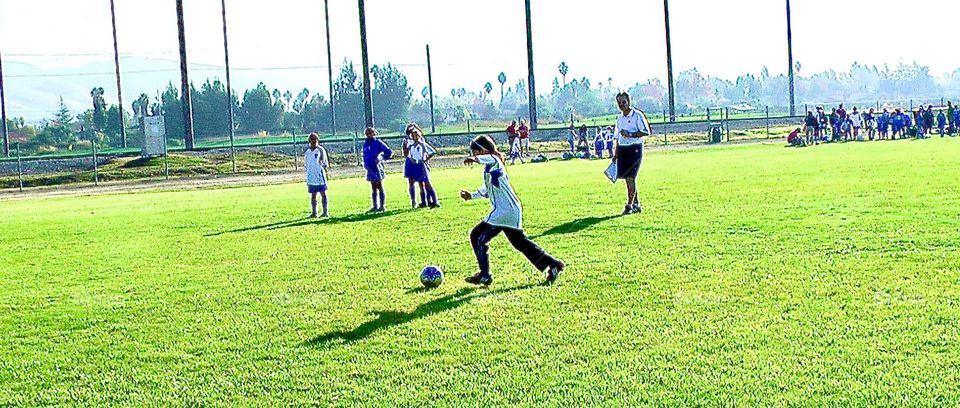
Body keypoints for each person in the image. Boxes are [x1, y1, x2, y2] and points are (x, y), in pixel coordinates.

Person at [459, 135, 566, 286]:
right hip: (510, 211)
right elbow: (488, 189)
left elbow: (489, 158)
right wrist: (472, 195)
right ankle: (553, 264)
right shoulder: (490, 168)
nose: (475, 155)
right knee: (520, 243)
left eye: (476, 152)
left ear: (483, 151)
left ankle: (484, 275)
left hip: (504, 211)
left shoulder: (495, 161)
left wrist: (474, 159)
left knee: (477, 236)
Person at [612, 92, 650, 215]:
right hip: (623, 149)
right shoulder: (619, 118)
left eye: (623, 102)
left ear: (629, 102)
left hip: (635, 149)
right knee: (628, 179)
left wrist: (631, 134)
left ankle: (629, 205)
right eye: (619, 102)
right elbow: (617, 137)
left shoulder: (637, 115)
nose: (621, 105)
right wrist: (616, 153)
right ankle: (636, 204)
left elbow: (646, 132)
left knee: (630, 177)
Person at [403, 123, 440, 209]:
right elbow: (408, 153)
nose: (414, 135)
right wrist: (411, 159)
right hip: (413, 165)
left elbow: (431, 152)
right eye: (412, 134)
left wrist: (425, 159)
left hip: (421, 165)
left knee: (426, 183)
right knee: (417, 183)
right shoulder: (409, 143)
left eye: (416, 134)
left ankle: (434, 201)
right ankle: (422, 202)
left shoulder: (422, 143)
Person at [362, 127, 393, 212]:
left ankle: (382, 206)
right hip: (369, 167)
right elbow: (365, 155)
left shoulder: (378, 142)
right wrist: (365, 163)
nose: (369, 135)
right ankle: (375, 206)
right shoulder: (365, 144)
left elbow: (388, 152)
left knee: (379, 186)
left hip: (377, 167)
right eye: (367, 133)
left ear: (374, 133)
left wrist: (381, 157)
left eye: (370, 133)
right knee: (373, 187)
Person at [304, 133, 329, 218]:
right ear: (309, 141)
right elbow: (306, 164)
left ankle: (325, 212)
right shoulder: (307, 152)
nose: (314, 141)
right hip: (311, 177)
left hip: (320, 177)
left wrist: (322, 168)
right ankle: (314, 213)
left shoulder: (321, 150)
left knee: (323, 194)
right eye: (312, 139)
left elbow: (325, 163)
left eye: (315, 139)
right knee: (313, 195)